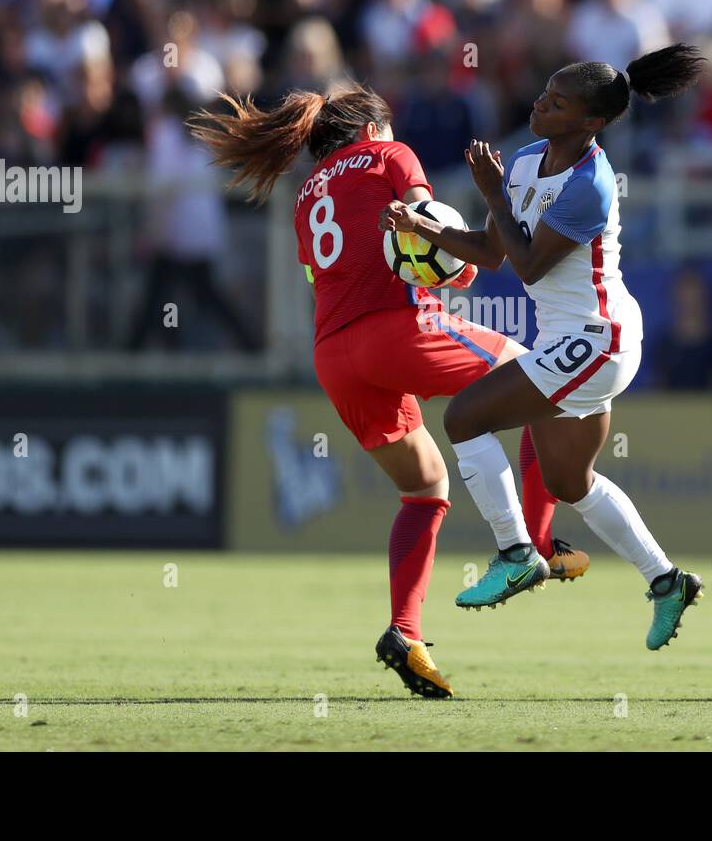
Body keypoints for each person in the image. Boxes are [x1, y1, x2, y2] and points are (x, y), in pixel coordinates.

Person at [190, 82, 580, 698]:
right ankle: (532, 546)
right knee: (546, 380)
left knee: (424, 487)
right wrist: (471, 256)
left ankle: (405, 632)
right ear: (373, 127)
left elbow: (333, 272)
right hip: (397, 328)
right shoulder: (388, 156)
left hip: (336, 356)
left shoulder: (305, 196)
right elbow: (420, 229)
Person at [383, 44, 705, 650]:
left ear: (589, 124)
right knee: (569, 482)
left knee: (463, 417)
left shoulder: (591, 185)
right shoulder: (529, 158)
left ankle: (515, 552)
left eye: (557, 104)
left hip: (598, 341)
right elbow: (491, 252)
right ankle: (667, 582)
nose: (540, 105)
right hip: (570, 340)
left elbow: (528, 269)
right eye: (543, 92)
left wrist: (492, 192)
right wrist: (422, 228)